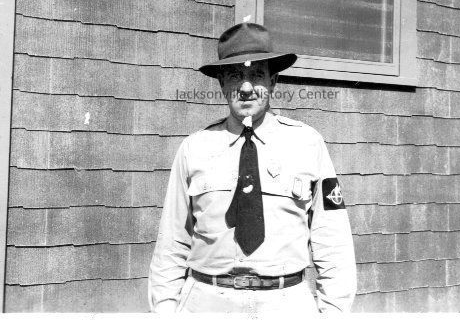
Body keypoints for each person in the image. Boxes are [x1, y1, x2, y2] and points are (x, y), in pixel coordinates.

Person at [148, 22, 357, 313]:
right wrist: (164, 312)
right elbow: (171, 244)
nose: (246, 88)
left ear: (273, 81)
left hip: (286, 304)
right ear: (222, 84)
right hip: (207, 303)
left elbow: (333, 242)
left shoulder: (307, 144)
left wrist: (333, 313)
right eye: (235, 76)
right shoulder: (194, 149)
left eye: (257, 74)